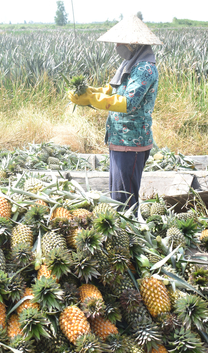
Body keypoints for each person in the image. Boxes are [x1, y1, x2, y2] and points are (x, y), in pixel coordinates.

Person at [69, 15, 162, 211]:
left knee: (124, 201)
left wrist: (94, 100)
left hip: (132, 142)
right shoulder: (129, 65)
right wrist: (88, 93)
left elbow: (128, 102)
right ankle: (124, 234)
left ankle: (128, 237)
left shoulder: (145, 69)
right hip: (119, 140)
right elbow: (111, 91)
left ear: (134, 44)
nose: (117, 46)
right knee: (117, 195)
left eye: (121, 42)